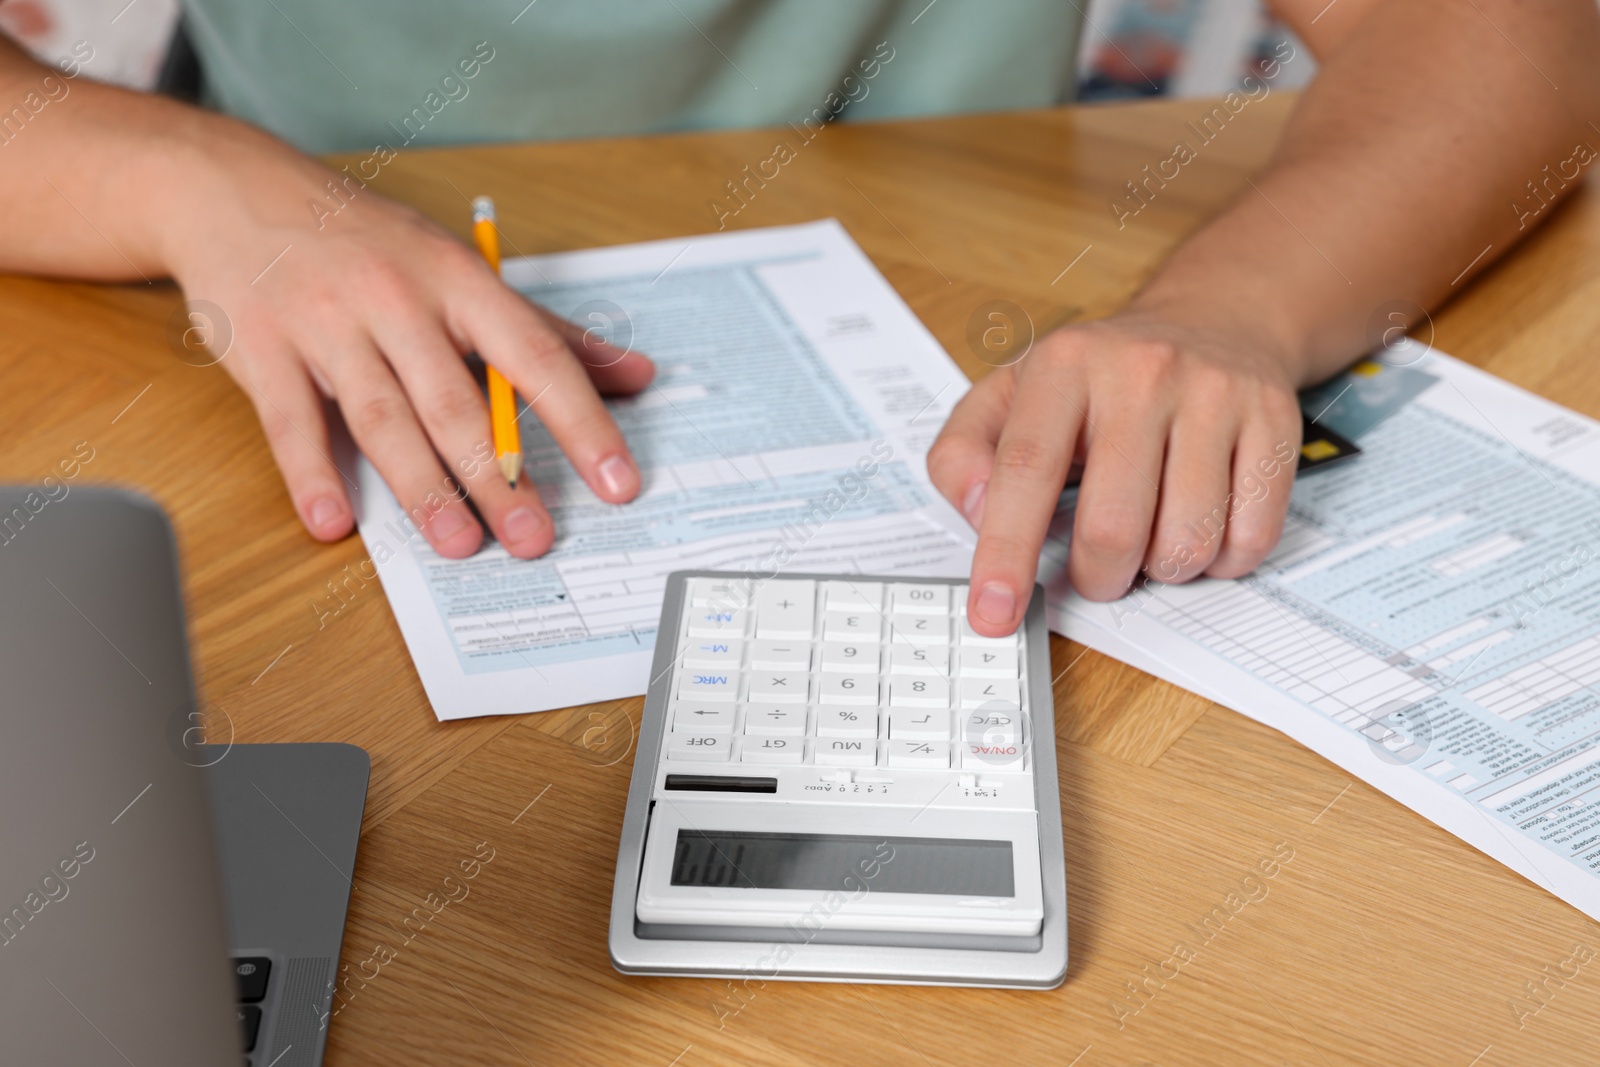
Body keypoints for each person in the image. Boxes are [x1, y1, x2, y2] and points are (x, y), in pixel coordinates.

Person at [1, 0, 1596, 637]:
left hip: (965, 313)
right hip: (241, 344)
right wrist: (187, 186)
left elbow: (1507, 42)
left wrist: (1238, 312)